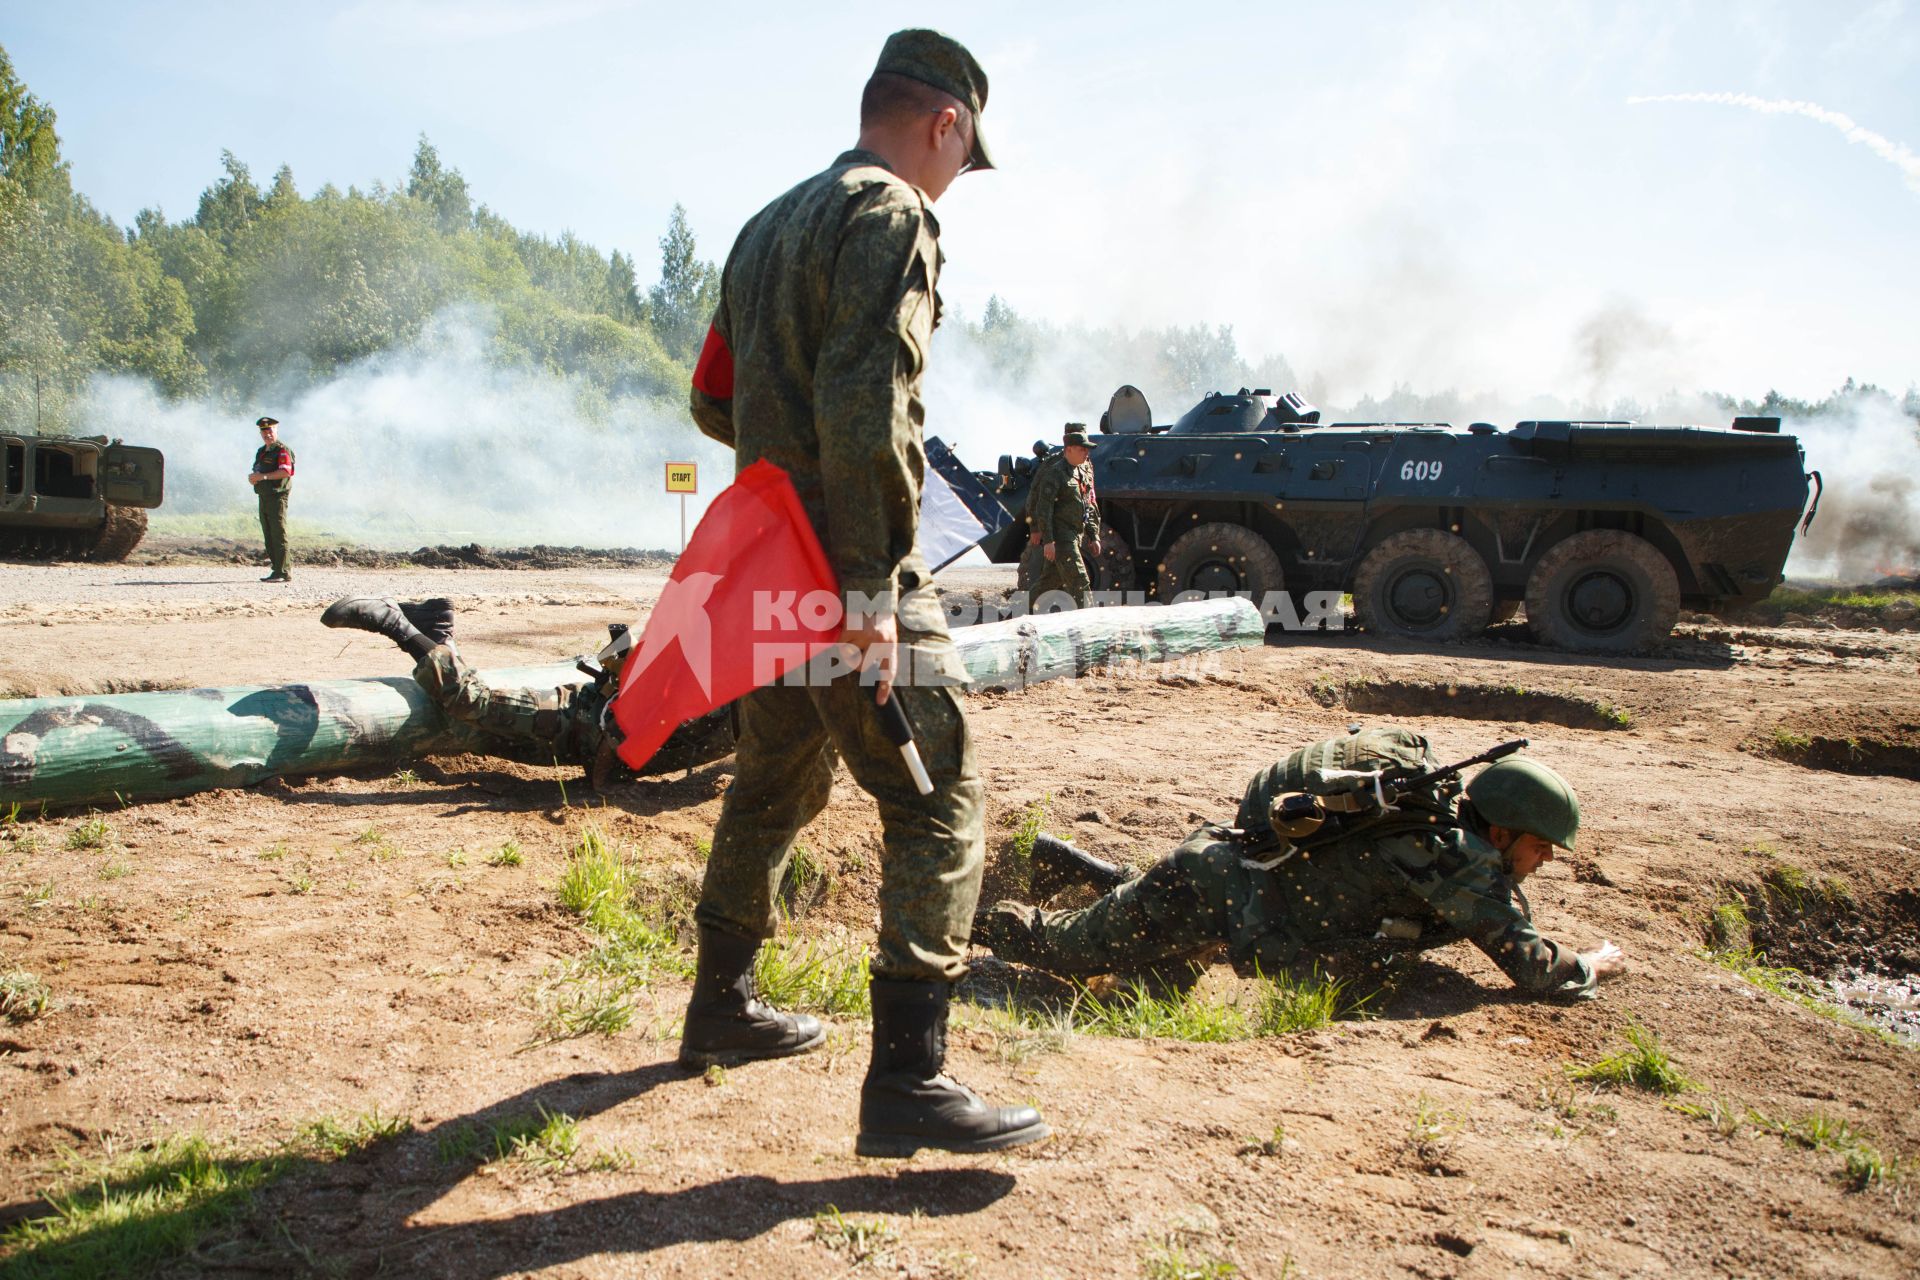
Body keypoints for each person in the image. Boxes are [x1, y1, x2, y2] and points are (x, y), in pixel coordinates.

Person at [681, 29, 1045, 1158]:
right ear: (946, 123)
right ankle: (909, 1082)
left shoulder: (768, 222)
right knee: (939, 793)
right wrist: (870, 583)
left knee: (771, 779)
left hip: (774, 565)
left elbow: (712, 402)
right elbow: (866, 395)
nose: (956, 181)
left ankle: (721, 1005)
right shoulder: (893, 213)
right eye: (963, 155)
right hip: (849, 572)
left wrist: (781, 468)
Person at [976, 727, 1628, 1001]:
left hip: (1229, 886)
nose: (1544, 860)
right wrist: (1589, 965)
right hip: (1213, 893)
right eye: (1541, 846)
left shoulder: (1434, 830)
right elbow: (1530, 964)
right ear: (1505, 828)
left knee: (1152, 984)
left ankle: (1073, 866)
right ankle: (947, 922)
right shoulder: (1449, 858)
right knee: (1060, 952)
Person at [320, 596, 735, 782]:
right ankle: (394, 623)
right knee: (473, 702)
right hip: (575, 720)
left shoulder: (754, 708)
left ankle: (439, 631)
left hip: (576, 750)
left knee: (477, 732)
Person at [1026, 425, 1101, 608]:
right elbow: (1043, 507)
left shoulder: (1081, 471)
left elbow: (1088, 504)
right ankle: (1089, 623)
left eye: (1087, 449)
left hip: (1075, 534)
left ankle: (1020, 611)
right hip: (1061, 536)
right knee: (1080, 581)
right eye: (1082, 449)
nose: (1086, 453)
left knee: (1048, 582)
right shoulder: (1054, 472)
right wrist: (1048, 539)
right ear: (1068, 449)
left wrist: (1093, 534)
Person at [248, 416, 295, 583]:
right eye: (264, 431)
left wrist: (264, 477)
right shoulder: (262, 451)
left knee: (278, 533)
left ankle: (283, 571)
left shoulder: (282, 450)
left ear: (276, 430)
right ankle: (276, 569)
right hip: (264, 496)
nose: (267, 434)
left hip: (277, 496)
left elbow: (285, 471)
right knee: (268, 534)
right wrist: (255, 478)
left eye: (270, 430)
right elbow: (259, 470)